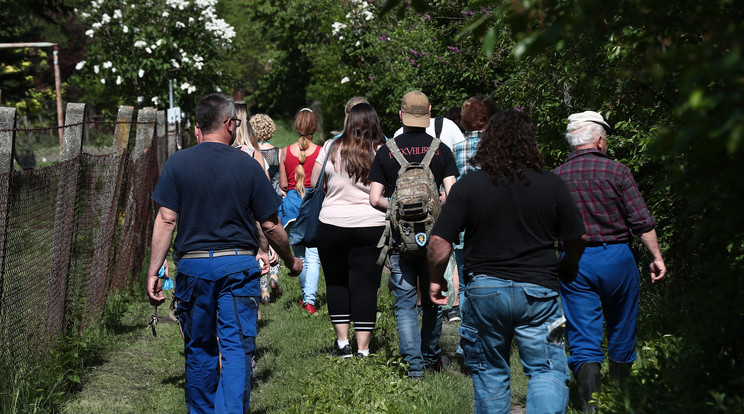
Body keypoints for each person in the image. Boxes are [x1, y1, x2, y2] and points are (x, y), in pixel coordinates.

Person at [146, 93, 303, 414]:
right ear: (230, 124)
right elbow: (271, 226)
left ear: (197, 128)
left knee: (200, 348)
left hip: (193, 269)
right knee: (235, 349)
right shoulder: (247, 165)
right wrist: (290, 260)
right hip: (237, 268)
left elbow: (166, 218)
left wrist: (154, 269)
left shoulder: (178, 162)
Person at [428, 110, 586, 414]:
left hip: (484, 293)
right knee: (548, 369)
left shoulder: (469, 186)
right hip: (540, 294)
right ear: (530, 142)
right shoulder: (551, 184)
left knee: (489, 372)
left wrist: (436, 278)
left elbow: (439, 241)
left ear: (489, 142)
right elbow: (578, 236)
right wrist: (568, 265)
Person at [553, 111, 667, 412]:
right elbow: (641, 221)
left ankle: (590, 405)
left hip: (575, 261)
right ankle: (620, 399)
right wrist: (656, 257)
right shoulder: (618, 172)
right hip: (617, 257)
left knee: (582, 332)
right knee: (622, 327)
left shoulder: (556, 176)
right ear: (600, 140)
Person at [369, 90, 459, 379]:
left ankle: (414, 368)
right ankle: (432, 358)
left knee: (405, 305)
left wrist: (398, 207)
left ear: (401, 115)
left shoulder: (386, 151)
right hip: (435, 238)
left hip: (399, 239)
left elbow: (374, 199)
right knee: (434, 300)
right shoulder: (441, 149)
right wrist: (432, 204)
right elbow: (453, 194)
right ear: (429, 112)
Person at [311, 103, 386, 358]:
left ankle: (343, 345)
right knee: (366, 286)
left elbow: (313, 182)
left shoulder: (331, 147)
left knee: (336, 282)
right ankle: (363, 350)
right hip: (372, 225)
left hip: (331, 224)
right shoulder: (382, 150)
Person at [450, 96, 496, 322]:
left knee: (465, 283)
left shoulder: (454, 150)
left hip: (464, 226)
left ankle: (467, 339)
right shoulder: (499, 149)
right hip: (494, 226)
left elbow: (447, 190)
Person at [278, 108, 323, 314]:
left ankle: (307, 298)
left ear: (296, 126)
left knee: (299, 254)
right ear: (315, 126)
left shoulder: (284, 152)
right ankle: (310, 301)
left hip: (292, 207)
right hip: (312, 206)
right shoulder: (321, 151)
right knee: (314, 254)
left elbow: (284, 185)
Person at [233, 104, 275, 305]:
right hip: (249, 227)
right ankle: (259, 294)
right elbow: (264, 200)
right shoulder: (253, 155)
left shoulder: (214, 154)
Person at [252, 113, 284, 301]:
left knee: (261, 244)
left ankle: (263, 289)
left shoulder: (251, 152)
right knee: (275, 241)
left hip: (257, 202)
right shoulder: (278, 153)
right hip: (274, 199)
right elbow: (281, 181)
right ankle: (274, 276)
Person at [392, 108, 465, 150]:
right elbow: (462, 152)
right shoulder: (448, 124)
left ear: (400, 114)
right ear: (429, 108)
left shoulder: (399, 133)